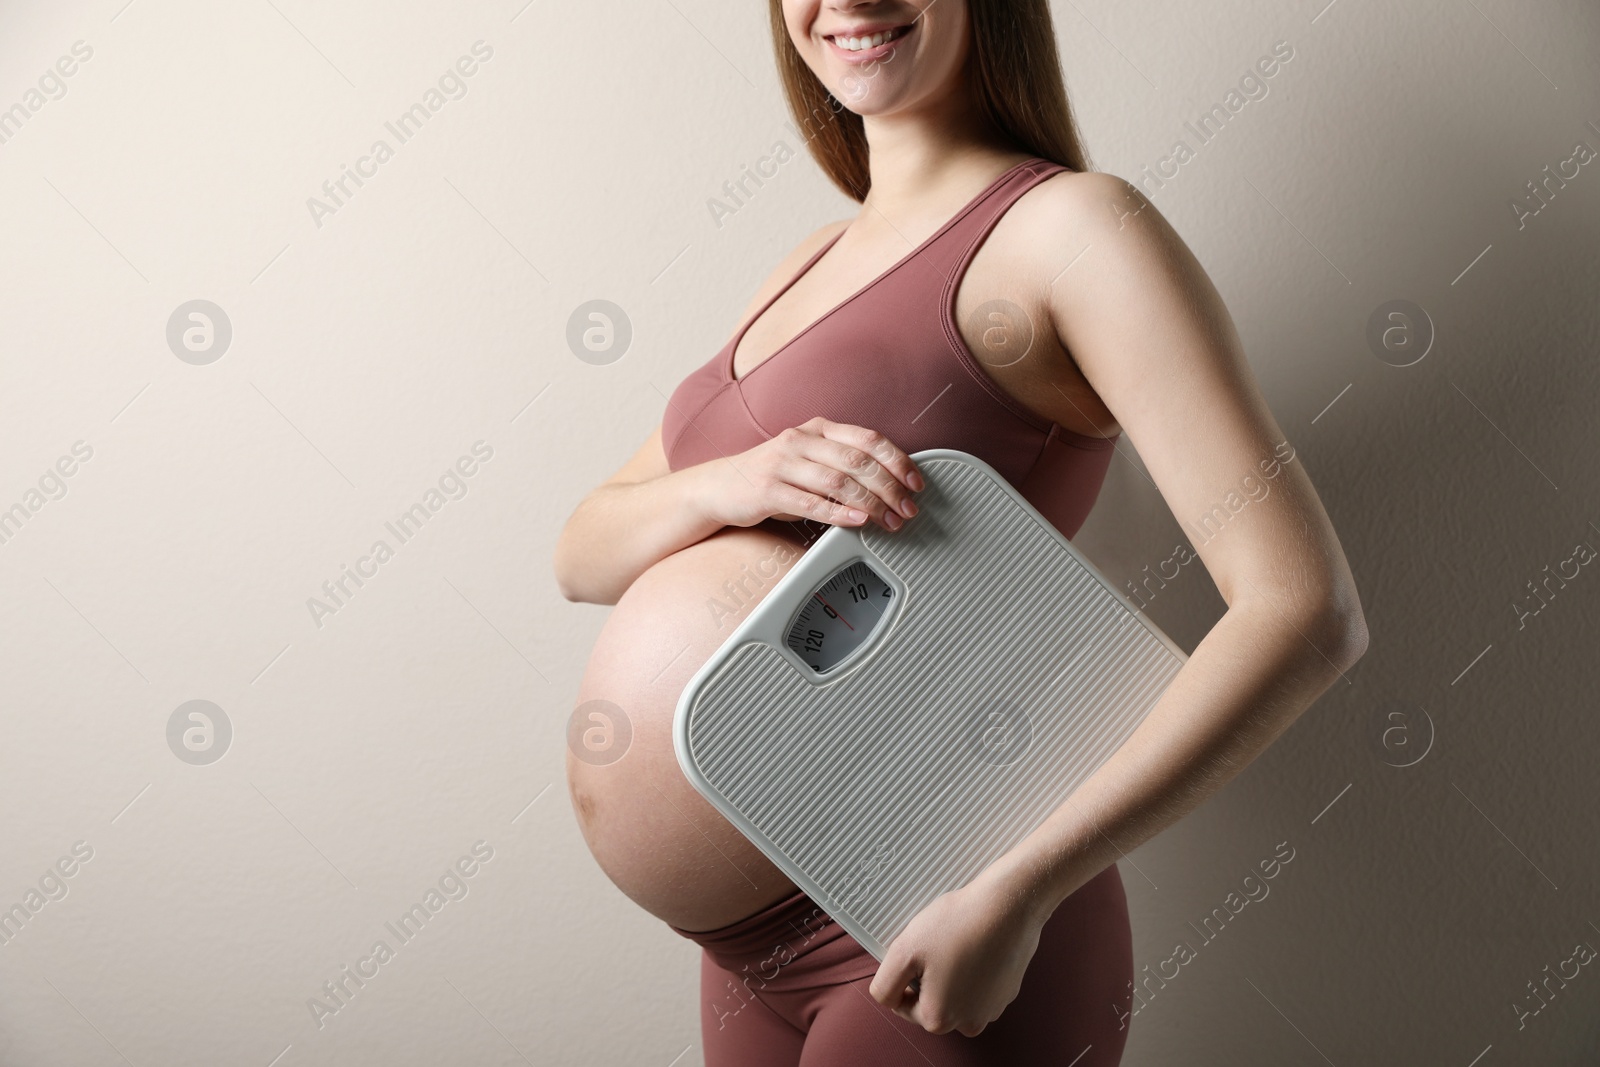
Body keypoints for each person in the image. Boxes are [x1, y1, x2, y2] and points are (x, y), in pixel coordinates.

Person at [553, 1, 1368, 1062]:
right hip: (739, 952)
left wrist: (1020, 888)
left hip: (940, 916)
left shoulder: (1073, 230)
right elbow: (581, 550)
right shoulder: (803, 264)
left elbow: (1305, 611)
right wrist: (732, 483)